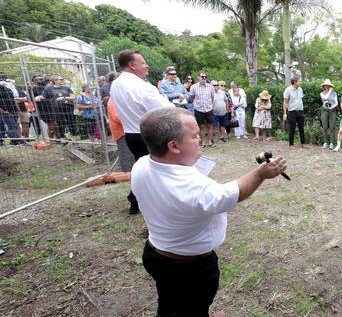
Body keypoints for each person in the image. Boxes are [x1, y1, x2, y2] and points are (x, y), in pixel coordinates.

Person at [132, 107, 287, 317]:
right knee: (193, 307)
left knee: (170, 300)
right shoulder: (194, 189)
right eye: (195, 136)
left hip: (155, 253)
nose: (200, 138)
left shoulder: (142, 164)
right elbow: (233, 193)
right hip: (190, 269)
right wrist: (260, 173)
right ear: (174, 146)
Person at [110, 49, 174, 214]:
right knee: (158, 172)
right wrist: (166, 100)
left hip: (131, 134)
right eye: (143, 62)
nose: (147, 66)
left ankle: (135, 200)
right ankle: (158, 207)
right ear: (132, 65)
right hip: (149, 134)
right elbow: (166, 109)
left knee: (142, 170)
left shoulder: (116, 85)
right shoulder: (142, 86)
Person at [43, 75, 77, 140]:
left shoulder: (66, 88)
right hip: (57, 109)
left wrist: (64, 98)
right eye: (61, 79)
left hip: (68, 108)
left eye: (62, 79)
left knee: (71, 122)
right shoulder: (49, 89)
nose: (62, 80)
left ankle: (74, 139)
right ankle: (63, 140)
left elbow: (73, 97)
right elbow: (43, 96)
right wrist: (38, 97)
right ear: (55, 81)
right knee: (60, 124)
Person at [189, 72, 215, 146]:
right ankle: (202, 142)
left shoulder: (210, 87)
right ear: (198, 77)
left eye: (205, 77)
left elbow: (212, 97)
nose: (204, 78)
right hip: (199, 109)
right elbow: (191, 98)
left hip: (208, 109)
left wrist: (210, 105)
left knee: (210, 125)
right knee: (201, 126)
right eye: (202, 76)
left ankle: (210, 142)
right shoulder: (193, 87)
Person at [283, 77, 307, 148]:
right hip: (292, 112)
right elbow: (285, 102)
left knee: (302, 128)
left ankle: (303, 143)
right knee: (292, 128)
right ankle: (291, 144)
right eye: (299, 81)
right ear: (294, 82)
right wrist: (285, 113)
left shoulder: (300, 89)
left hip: (300, 111)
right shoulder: (288, 90)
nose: (300, 82)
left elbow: (300, 99)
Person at [319, 79, 338, 149]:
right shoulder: (322, 93)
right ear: (324, 86)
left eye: (328, 85)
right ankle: (325, 142)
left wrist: (332, 107)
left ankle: (331, 143)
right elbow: (325, 98)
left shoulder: (334, 93)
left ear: (330, 85)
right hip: (324, 111)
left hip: (332, 111)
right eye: (325, 85)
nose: (327, 86)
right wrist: (330, 91)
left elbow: (336, 103)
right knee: (324, 127)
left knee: (332, 128)